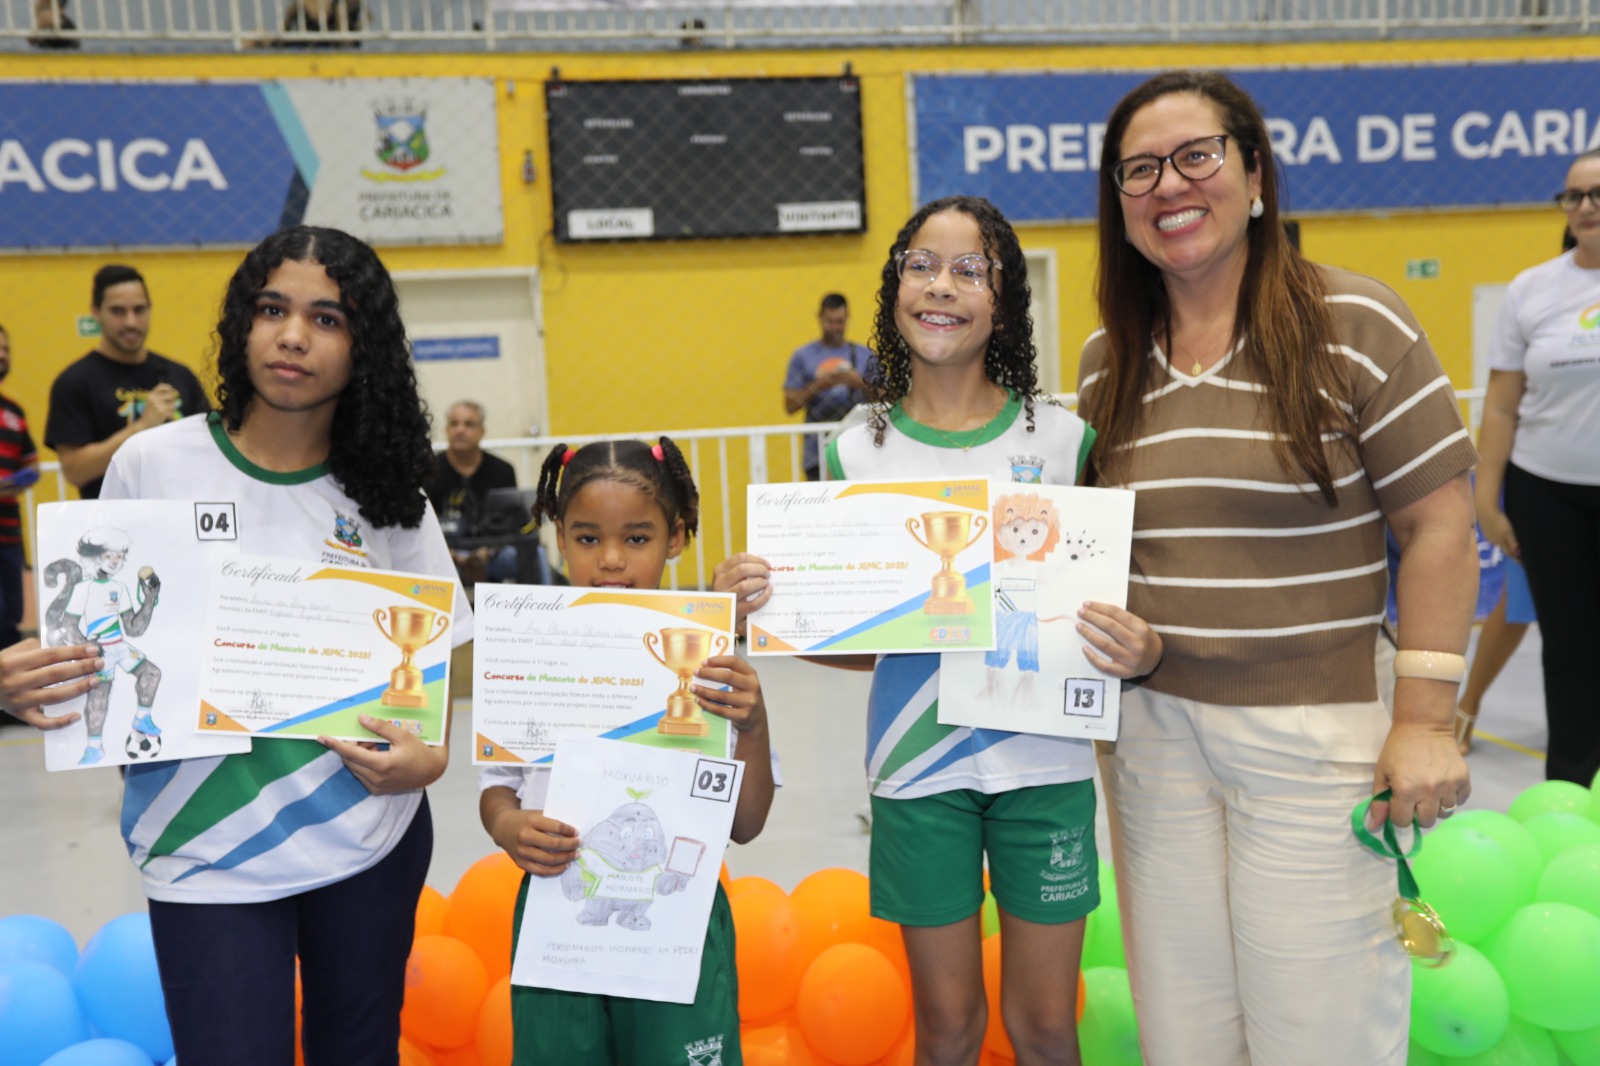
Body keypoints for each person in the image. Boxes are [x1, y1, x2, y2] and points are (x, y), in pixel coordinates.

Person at [1078, 70, 1478, 1065]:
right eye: (1138, 170)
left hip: (1314, 742)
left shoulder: (1357, 324)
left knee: (1320, 1037)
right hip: (1152, 742)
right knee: (1184, 1039)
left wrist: (1425, 720)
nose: (1169, 185)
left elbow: (1438, 522)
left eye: (1196, 156)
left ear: (1255, 175)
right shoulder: (1105, 362)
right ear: (1118, 203)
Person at [722, 195, 1160, 1066]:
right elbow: (858, 636)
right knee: (949, 1031)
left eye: (970, 269)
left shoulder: (1065, 439)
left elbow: (1105, 594)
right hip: (917, 766)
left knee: (1046, 1030)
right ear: (894, 290)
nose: (942, 285)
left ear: (1004, 298)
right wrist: (771, 609)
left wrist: (1137, 645)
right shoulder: (855, 451)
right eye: (920, 265)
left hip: (1046, 766)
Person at [20, 225, 472, 1065]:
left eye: (327, 318)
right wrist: (36, 678)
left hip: (366, 838)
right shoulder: (152, 463)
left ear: (363, 347)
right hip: (201, 846)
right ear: (242, 324)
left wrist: (430, 758)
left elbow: (433, 666)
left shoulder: (389, 495)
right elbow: (98, 640)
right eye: (272, 309)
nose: (293, 335)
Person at [479, 436, 774, 1065]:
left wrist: (753, 724)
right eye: (588, 538)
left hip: (676, 924)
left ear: (677, 537)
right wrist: (507, 825)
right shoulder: (530, 647)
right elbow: (497, 785)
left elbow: (746, 824)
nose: (611, 559)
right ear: (560, 538)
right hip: (561, 921)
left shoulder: (708, 662)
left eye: (637, 538)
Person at [1476, 147, 1600, 786]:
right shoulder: (1532, 289)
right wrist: (1486, 501)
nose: (1585, 206)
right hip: (1547, 494)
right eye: (1574, 195)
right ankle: (1571, 789)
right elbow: (1501, 405)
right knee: (1569, 647)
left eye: (1597, 194)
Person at [44, 264, 210, 500]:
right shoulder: (74, 382)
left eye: (139, 310)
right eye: (118, 311)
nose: (131, 322)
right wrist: (142, 427)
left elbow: (208, 446)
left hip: (179, 511)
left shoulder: (180, 375)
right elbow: (75, 470)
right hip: (112, 518)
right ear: (96, 312)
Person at [783, 293, 875, 481]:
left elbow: (888, 397)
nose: (835, 327)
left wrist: (858, 382)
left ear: (847, 318)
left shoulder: (864, 355)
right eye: (830, 321)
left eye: (840, 322)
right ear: (819, 318)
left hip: (859, 447)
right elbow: (789, 405)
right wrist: (819, 385)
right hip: (816, 451)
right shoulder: (802, 356)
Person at [425, 400, 519, 585]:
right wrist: (452, 555)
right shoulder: (428, 471)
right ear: (446, 430)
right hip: (444, 553)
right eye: (454, 424)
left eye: (468, 424)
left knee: (528, 554)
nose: (460, 430)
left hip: (492, 554)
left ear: (481, 431)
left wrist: (487, 553)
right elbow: (423, 527)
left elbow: (512, 523)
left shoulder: (503, 470)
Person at [0, 325, 39, 654]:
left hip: (9, 533)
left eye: (6, 349)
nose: (2, 355)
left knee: (10, 615)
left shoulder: (15, 412)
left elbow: (32, 466)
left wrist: (14, 483)